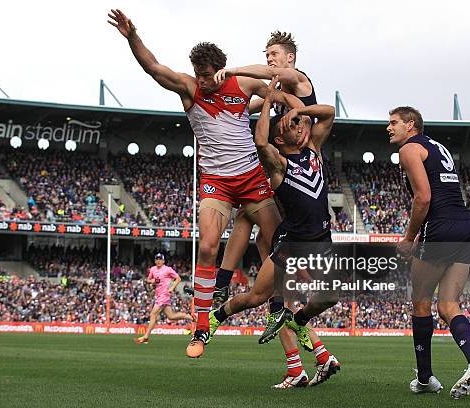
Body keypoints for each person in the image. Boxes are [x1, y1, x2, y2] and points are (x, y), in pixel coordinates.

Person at [107, 9, 304, 358]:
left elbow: (286, 92)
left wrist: (294, 112)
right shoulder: (190, 87)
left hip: (252, 178)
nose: (205, 81)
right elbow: (154, 68)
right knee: (209, 246)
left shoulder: (242, 85)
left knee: (278, 246)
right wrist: (132, 36)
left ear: (221, 69)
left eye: (209, 75)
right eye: (200, 75)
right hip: (216, 182)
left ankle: (280, 308)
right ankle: (201, 327)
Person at [212, 32, 339, 387]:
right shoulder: (279, 97)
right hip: (289, 191)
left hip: (298, 182)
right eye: (266, 55)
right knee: (246, 221)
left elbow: (274, 92)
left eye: (273, 55)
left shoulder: (298, 80)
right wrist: (223, 103)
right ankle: (310, 358)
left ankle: (296, 359)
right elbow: (250, 102)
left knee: (274, 286)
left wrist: (231, 70)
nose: (269, 60)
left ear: (290, 59)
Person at [388, 106, 470, 399]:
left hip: (442, 228)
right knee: (448, 305)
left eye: (394, 122)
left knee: (420, 302)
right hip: (467, 228)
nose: (389, 127)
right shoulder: (436, 146)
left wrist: (409, 238)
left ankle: (425, 379)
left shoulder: (410, 148)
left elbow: (424, 197)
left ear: (411, 125)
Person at [136, 253, 193, 344]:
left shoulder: (167, 269)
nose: (158, 261)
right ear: (155, 260)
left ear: (163, 261)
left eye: (160, 259)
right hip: (158, 295)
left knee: (153, 315)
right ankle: (188, 316)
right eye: (157, 259)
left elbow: (178, 279)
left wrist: (172, 288)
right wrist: (152, 282)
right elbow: (148, 280)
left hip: (164, 295)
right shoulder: (153, 269)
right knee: (171, 316)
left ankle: (146, 336)